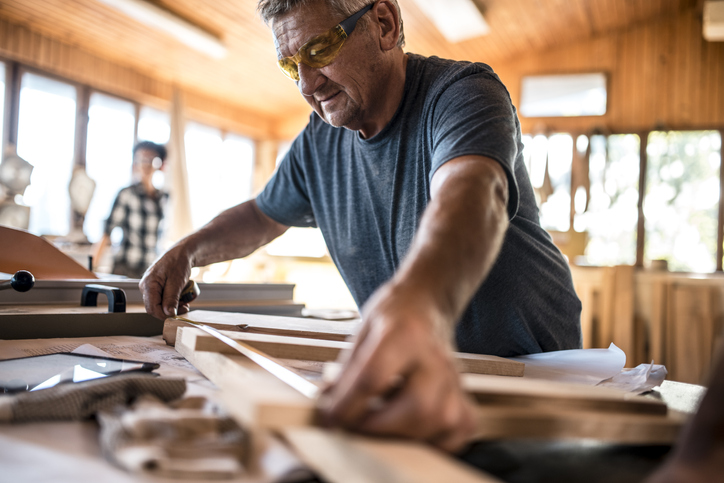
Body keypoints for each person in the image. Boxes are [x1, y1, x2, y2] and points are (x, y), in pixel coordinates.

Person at [140, 0, 581, 451]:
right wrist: (187, 251)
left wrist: (420, 305)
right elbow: (260, 215)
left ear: (384, 24)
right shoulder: (319, 141)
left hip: (539, 376)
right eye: (291, 65)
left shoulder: (462, 93)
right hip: (419, 384)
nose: (308, 84)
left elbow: (473, 194)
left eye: (319, 50)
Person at [94, 141, 168, 279]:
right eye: (142, 159)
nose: (146, 164)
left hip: (152, 269)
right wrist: (91, 268)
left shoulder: (165, 198)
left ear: (160, 164)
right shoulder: (126, 194)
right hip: (126, 269)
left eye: (151, 159)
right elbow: (107, 233)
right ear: (135, 164)